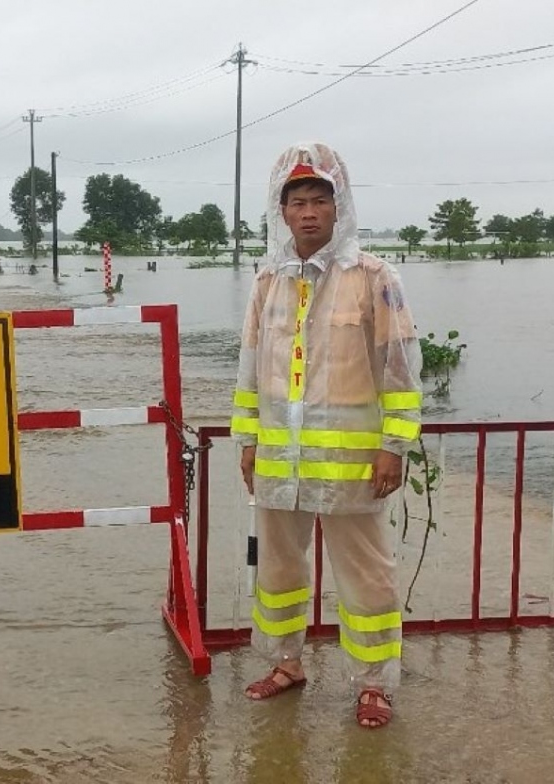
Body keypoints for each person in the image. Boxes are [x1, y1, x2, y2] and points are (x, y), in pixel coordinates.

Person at [231, 142, 422, 729]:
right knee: (278, 572)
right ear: (281, 212)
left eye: (320, 200)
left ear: (339, 210)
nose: (309, 212)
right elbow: (248, 367)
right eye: (298, 202)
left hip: (352, 467)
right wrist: (248, 440)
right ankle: (286, 664)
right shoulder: (269, 281)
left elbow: (400, 366)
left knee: (366, 576)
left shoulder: (373, 278)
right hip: (280, 465)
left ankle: (373, 685)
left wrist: (393, 447)